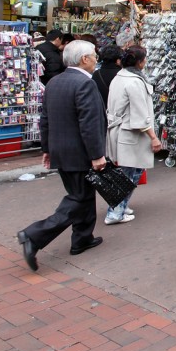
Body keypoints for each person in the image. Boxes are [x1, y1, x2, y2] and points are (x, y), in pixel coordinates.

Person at [17, 40, 108, 271]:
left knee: (84, 196)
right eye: (94, 55)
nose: (96, 59)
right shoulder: (85, 84)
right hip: (79, 152)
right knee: (78, 199)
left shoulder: (55, 82)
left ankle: (82, 238)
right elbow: (89, 123)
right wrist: (97, 154)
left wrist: (47, 148)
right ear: (84, 59)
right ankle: (34, 235)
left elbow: (44, 119)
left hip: (61, 150)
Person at [104, 46, 161, 225]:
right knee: (129, 174)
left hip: (121, 131)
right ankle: (115, 212)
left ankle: (121, 205)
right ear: (139, 62)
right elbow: (140, 113)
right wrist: (154, 137)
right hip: (129, 134)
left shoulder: (119, 77)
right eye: (144, 59)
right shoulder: (134, 81)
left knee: (129, 172)